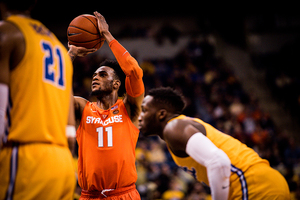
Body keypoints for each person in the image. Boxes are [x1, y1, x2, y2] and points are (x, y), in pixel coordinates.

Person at [138, 87, 290, 200]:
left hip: (252, 184)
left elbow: (218, 161)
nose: (139, 116)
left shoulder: (174, 127)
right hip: (262, 182)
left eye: (144, 110)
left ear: (162, 114)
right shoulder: (178, 129)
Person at [0, 0, 76, 199]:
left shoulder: (7, 32)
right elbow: (70, 133)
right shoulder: (59, 49)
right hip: (63, 164)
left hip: (25, 159)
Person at [68, 11, 144, 200]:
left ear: (117, 84)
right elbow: (55, 92)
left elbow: (133, 70)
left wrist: (107, 36)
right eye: (94, 74)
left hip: (124, 194)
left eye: (102, 74)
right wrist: (70, 54)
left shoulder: (129, 109)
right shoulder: (82, 108)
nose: (95, 76)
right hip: (89, 196)